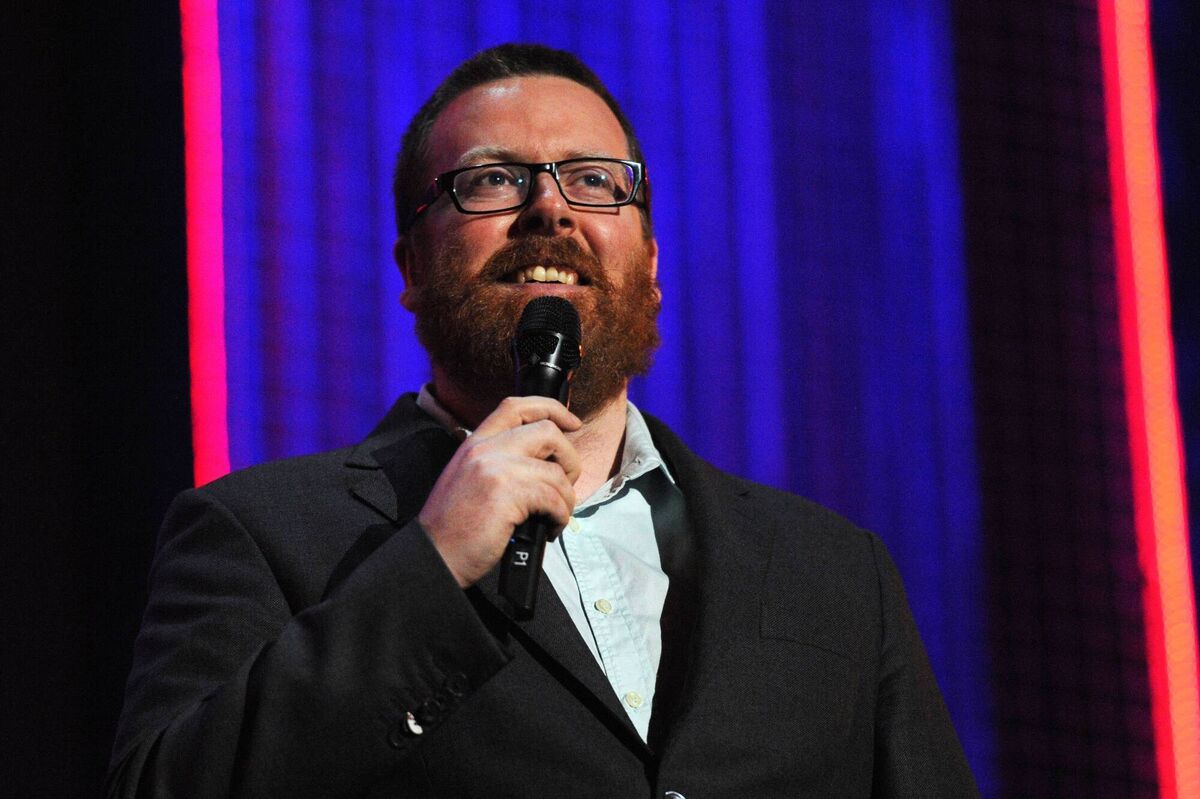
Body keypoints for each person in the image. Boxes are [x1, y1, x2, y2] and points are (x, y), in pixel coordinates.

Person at [109, 44, 978, 798]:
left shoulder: (832, 569)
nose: (550, 209)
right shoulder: (261, 532)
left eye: (595, 181)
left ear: (650, 264)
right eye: (493, 180)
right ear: (411, 265)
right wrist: (434, 566)